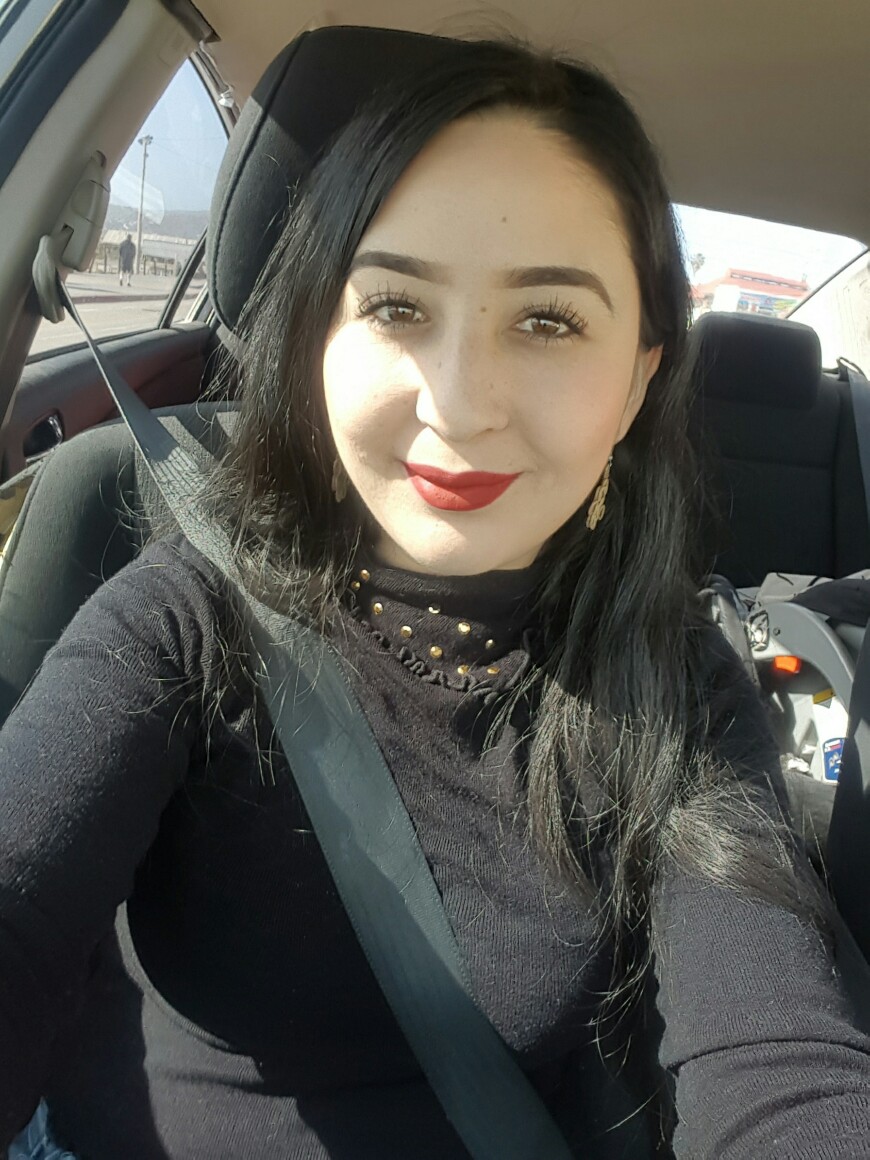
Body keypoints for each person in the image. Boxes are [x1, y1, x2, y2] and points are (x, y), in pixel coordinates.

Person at [3, 31, 870, 1160]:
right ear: (321, 337)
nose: (459, 404)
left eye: (548, 320)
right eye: (398, 308)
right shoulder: (186, 614)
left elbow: (779, 1062)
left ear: (638, 379)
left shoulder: (677, 689)